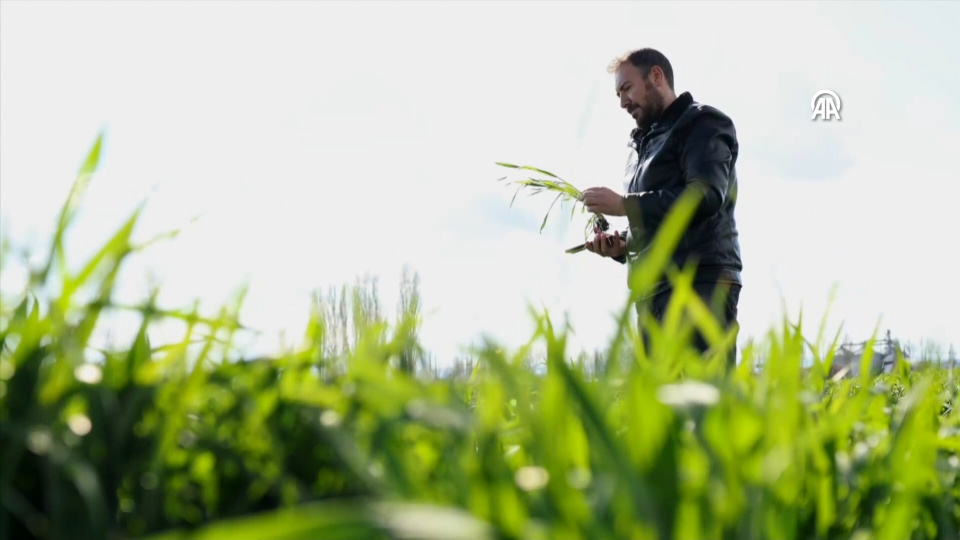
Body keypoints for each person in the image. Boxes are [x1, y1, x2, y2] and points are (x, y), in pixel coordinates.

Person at [579, 48, 743, 368]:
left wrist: (625, 205)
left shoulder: (703, 123)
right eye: (618, 95)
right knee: (661, 412)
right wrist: (623, 244)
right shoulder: (640, 146)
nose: (623, 102)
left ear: (656, 77)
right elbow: (658, 216)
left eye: (627, 89)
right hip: (651, 295)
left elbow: (705, 195)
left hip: (699, 286)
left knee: (707, 407)